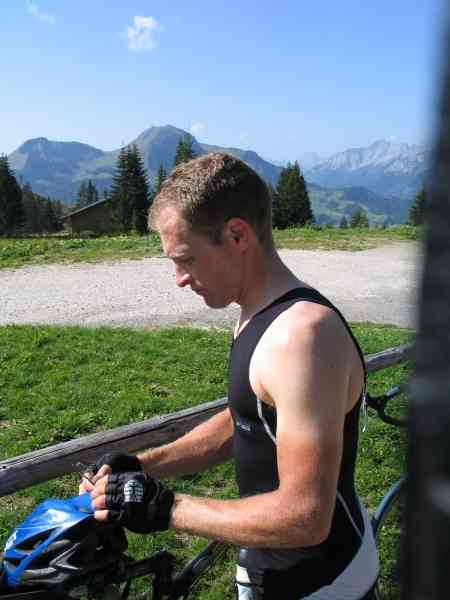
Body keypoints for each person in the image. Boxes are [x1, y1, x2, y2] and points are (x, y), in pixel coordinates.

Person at [80, 153, 379, 599]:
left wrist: (166, 508)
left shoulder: (301, 338)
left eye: (186, 259)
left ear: (237, 235)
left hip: (320, 581)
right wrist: (144, 464)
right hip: (272, 563)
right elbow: (251, 418)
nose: (179, 278)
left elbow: (306, 516)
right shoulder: (256, 312)